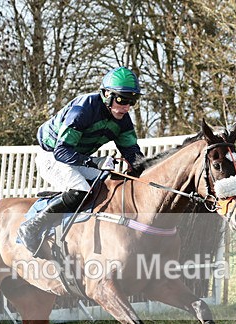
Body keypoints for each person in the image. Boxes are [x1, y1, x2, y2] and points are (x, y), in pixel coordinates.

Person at [17, 66, 146, 255]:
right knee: (80, 190)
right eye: (121, 99)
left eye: (132, 101)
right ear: (106, 95)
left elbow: (132, 153)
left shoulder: (123, 120)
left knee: (109, 182)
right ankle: (32, 227)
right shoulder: (83, 110)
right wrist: (95, 162)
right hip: (52, 155)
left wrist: (143, 171)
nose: (126, 107)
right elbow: (61, 152)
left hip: (75, 158)